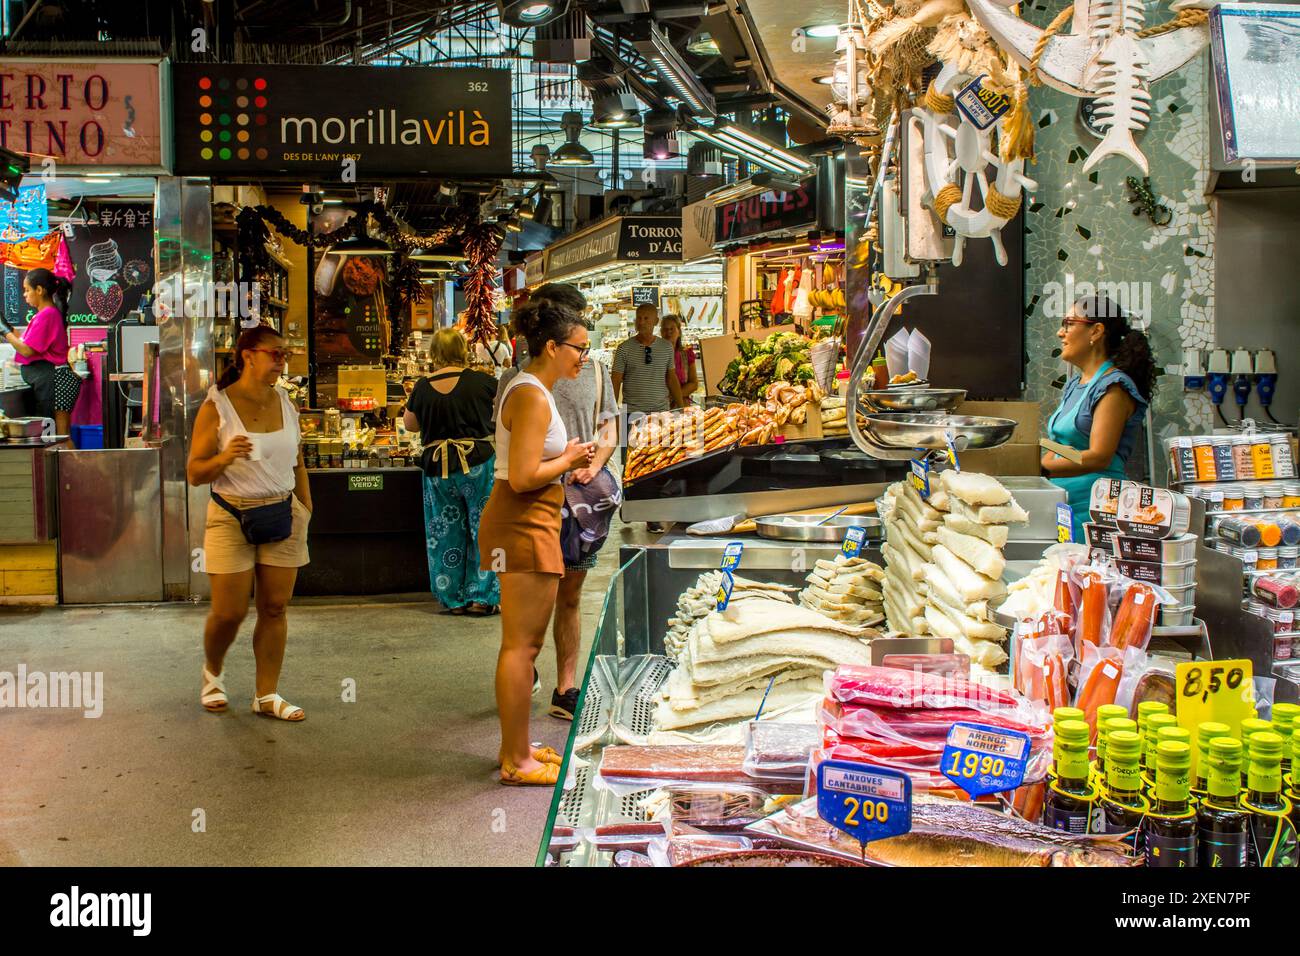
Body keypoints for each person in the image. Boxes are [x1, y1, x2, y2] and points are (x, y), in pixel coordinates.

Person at [478, 300, 595, 785]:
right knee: (522, 647)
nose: (584, 358)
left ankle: (518, 747)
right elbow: (525, 476)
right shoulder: (529, 394)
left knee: (523, 644)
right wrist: (568, 460)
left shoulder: (536, 390)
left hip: (534, 520)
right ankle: (515, 763)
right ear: (551, 346)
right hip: (523, 520)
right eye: (579, 348)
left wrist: (565, 458)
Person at [498, 283, 619, 721]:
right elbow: (511, 454)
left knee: (570, 594)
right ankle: (522, 668)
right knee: (532, 602)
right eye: (578, 336)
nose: (584, 349)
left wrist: (593, 462)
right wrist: (564, 459)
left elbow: (609, 426)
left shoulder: (597, 372)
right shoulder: (520, 380)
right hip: (535, 503)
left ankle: (565, 686)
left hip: (582, 503)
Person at [186, 325, 311, 722]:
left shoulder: (285, 402)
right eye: (275, 353)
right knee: (230, 611)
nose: (281, 360)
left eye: (284, 354)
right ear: (248, 355)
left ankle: (266, 694)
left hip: (282, 512)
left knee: (275, 607)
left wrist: (305, 507)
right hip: (230, 514)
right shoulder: (217, 406)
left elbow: (297, 459)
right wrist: (224, 458)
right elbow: (194, 472)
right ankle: (213, 672)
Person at [1041, 296, 1155, 540]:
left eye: (1069, 323)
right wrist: (1033, 476)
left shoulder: (1114, 388)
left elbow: (1099, 456)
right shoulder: (1074, 384)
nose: (1061, 333)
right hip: (1062, 507)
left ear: (1096, 331)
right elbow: (1059, 445)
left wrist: (1038, 469)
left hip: (1094, 514)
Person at [403, 328, 500, 615]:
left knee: (444, 531)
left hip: (439, 468)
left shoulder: (421, 387)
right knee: (486, 529)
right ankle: (483, 597)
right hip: (478, 464)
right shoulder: (483, 382)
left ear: (435, 353)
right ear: (462, 350)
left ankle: (453, 597)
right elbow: (501, 415)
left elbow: (410, 425)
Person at [3, 269, 81, 435]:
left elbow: (27, 350)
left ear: (39, 290)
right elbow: (24, 340)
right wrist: (7, 327)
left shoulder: (47, 315)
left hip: (56, 381)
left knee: (59, 437)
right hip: (52, 380)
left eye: (27, 290)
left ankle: (70, 461)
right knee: (55, 437)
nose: (24, 294)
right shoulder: (44, 315)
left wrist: (4, 331)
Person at [611, 303, 682, 416]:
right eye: (639, 318)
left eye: (646, 318)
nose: (641, 322)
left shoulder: (666, 347)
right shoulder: (624, 348)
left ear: (656, 321)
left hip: (661, 412)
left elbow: (672, 379)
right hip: (631, 413)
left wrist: (681, 406)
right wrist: (612, 413)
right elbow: (615, 382)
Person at [660, 313, 697, 407]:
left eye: (672, 328)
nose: (668, 332)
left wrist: (674, 396)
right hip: (659, 407)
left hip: (682, 406)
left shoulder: (686, 354)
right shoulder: (655, 354)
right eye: (665, 329)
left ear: (679, 332)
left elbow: (693, 383)